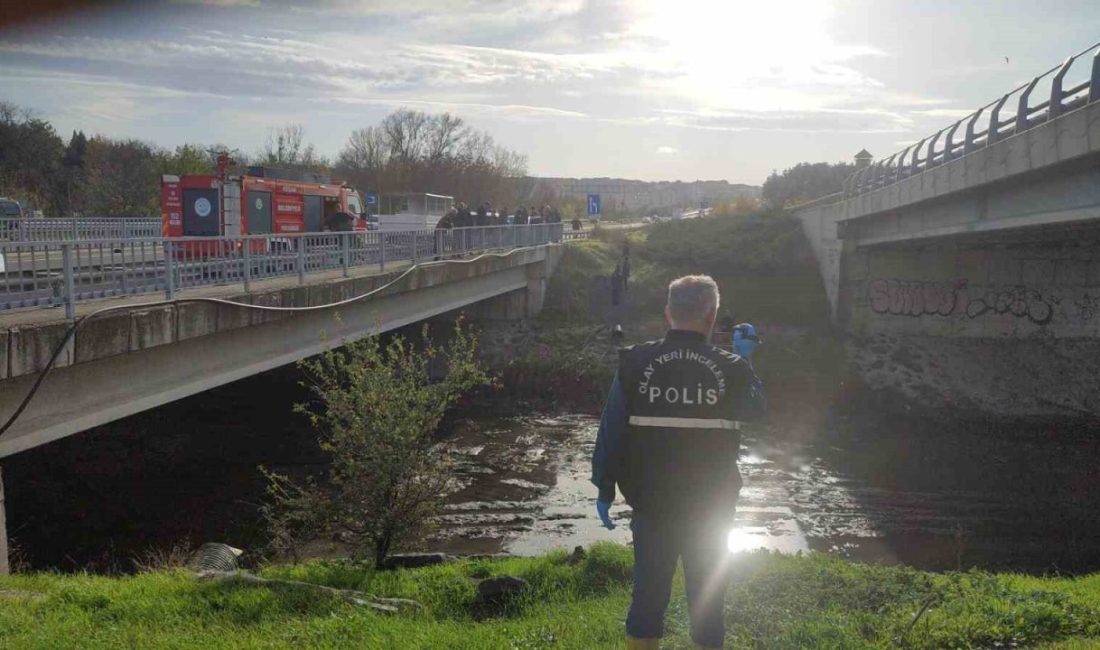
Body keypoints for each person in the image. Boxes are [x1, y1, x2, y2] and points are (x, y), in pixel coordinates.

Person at [591, 275, 766, 650]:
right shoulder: (733, 368)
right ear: (713, 316)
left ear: (668, 312)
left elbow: (611, 431)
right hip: (712, 507)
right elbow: (757, 410)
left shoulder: (635, 362)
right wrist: (746, 360)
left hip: (653, 505)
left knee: (648, 597)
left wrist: (604, 488)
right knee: (707, 601)